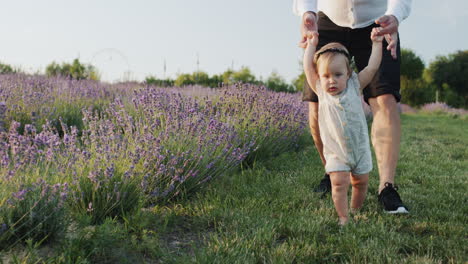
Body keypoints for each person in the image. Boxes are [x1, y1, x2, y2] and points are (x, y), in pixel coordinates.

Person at [293, 0, 411, 214]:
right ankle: (333, 171)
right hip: (328, 21)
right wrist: (307, 12)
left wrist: (394, 15)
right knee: (317, 106)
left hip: (377, 22)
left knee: (385, 100)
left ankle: (387, 188)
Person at [303, 28, 383, 225]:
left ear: (348, 73)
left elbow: (372, 68)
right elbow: (308, 68)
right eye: (326, 76)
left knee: (360, 182)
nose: (331, 80)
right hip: (336, 151)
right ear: (320, 78)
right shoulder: (321, 91)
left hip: (359, 149)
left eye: (338, 74)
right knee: (338, 183)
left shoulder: (355, 85)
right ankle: (343, 217)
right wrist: (311, 45)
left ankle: (355, 210)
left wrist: (376, 44)